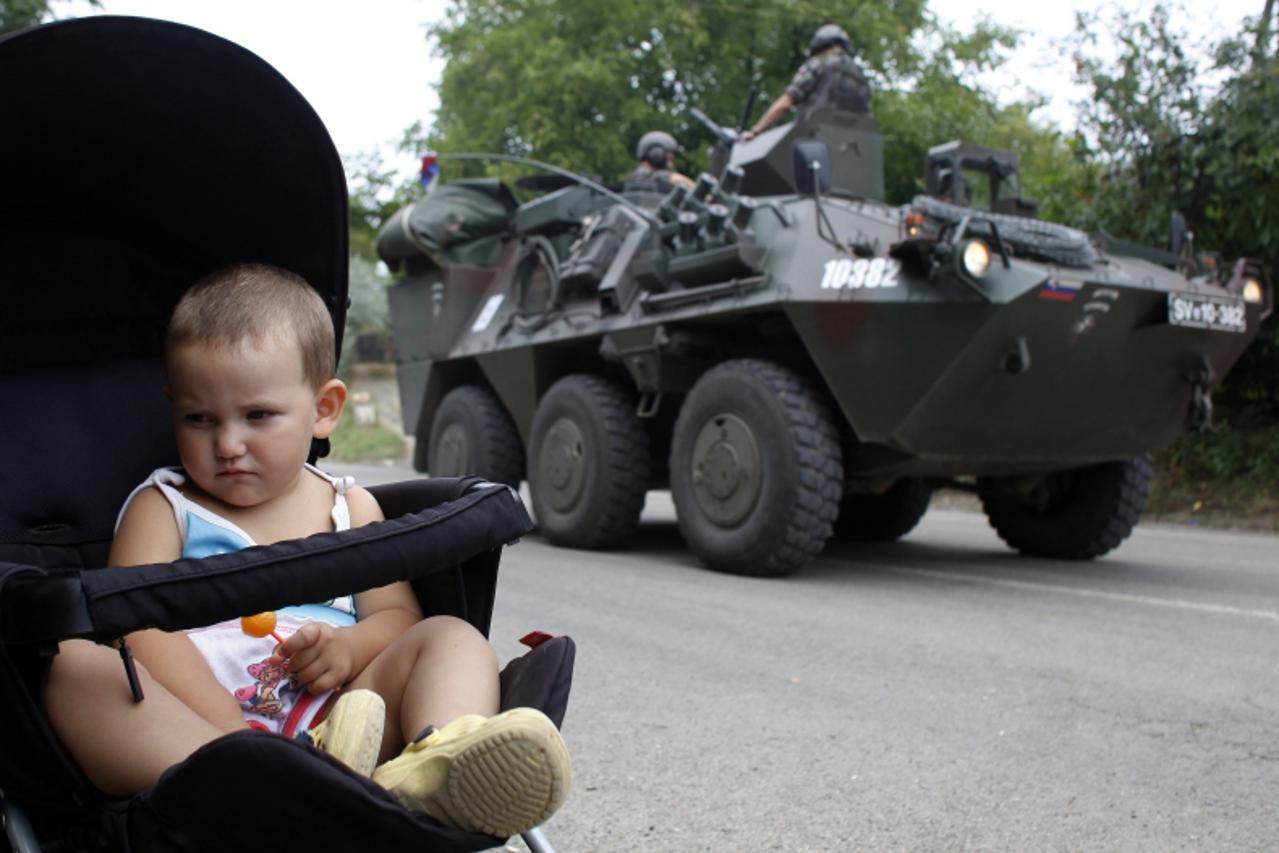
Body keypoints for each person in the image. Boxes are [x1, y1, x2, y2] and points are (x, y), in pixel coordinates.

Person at [43, 263, 570, 839]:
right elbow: (135, 629)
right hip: (202, 738)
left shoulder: (350, 508)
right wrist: (228, 735)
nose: (227, 444)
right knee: (74, 667)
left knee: (450, 636)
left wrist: (350, 648)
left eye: (257, 416)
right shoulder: (164, 507)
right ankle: (258, 786)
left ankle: (440, 765)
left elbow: (397, 619)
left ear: (324, 409)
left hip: (344, 722)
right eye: (198, 419)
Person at [740, 24, 872, 141]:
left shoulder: (819, 63)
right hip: (851, 151)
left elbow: (786, 103)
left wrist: (756, 131)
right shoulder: (861, 79)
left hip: (813, 144)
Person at [623, 129, 696, 193]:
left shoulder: (635, 175)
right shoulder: (641, 175)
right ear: (656, 153)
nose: (672, 162)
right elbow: (676, 179)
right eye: (669, 157)